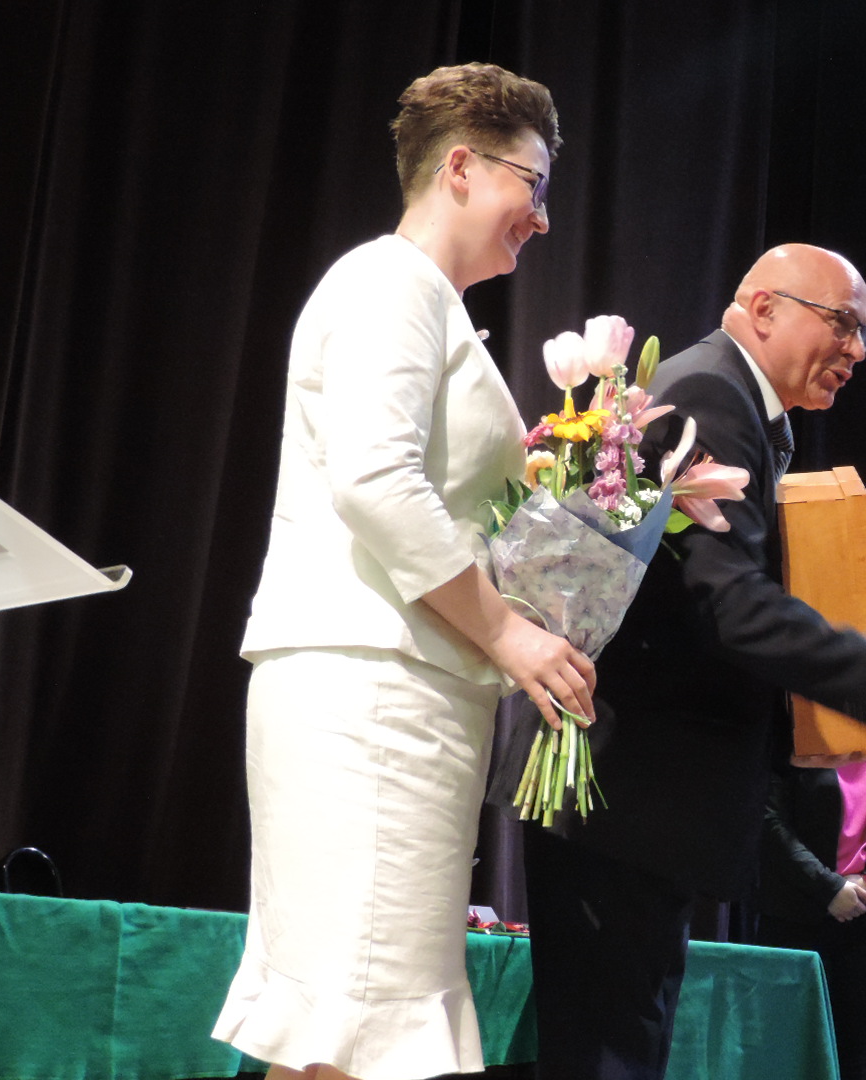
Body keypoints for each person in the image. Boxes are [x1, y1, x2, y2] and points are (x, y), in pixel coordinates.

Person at [212, 64, 596, 1080]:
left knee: (345, 1028)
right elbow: (376, 481)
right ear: (460, 167)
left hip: (397, 684)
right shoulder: (391, 283)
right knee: (359, 1021)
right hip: (369, 687)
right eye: (532, 184)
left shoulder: (426, 302)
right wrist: (509, 632)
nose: (543, 217)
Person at [518, 243, 866, 1080]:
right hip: (628, 799)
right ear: (764, 309)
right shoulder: (711, 392)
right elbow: (732, 609)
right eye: (843, 323)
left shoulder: (734, 401)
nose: (857, 350)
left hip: (641, 808)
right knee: (607, 1056)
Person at [753, 730, 866, 1080]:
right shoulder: (795, 735)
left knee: (853, 1060)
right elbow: (771, 823)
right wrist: (830, 889)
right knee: (787, 1055)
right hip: (796, 917)